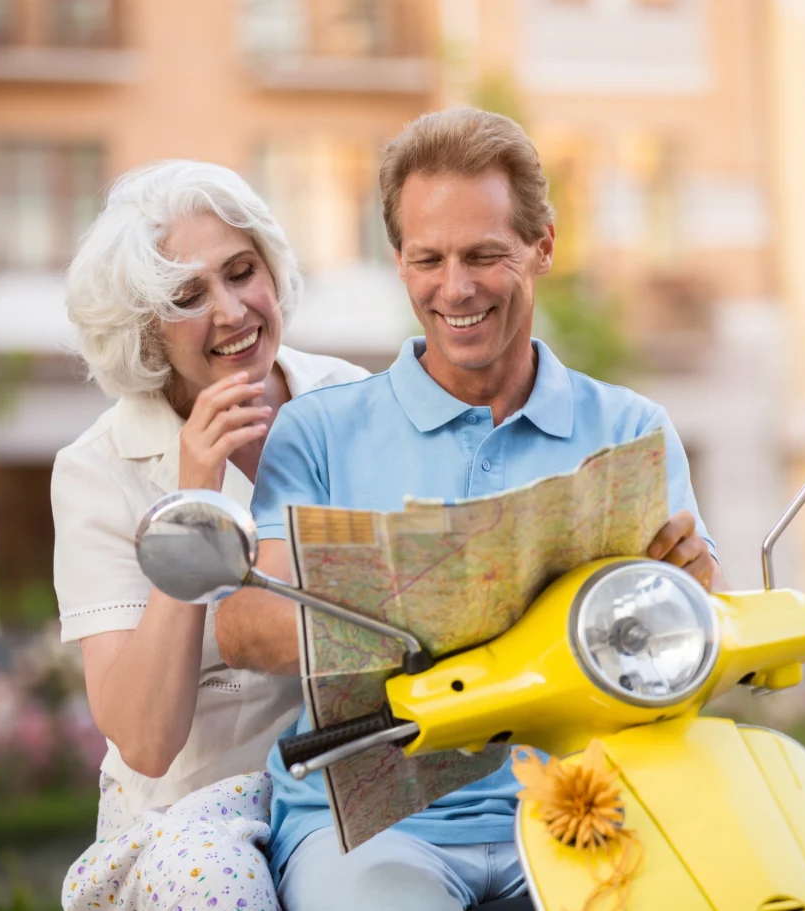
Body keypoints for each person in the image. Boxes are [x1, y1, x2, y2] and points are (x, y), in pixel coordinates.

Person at [218, 108, 722, 911]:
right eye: (429, 258)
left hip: (579, 807)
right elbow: (247, 624)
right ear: (400, 262)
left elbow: (693, 639)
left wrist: (693, 589)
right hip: (371, 830)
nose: (455, 288)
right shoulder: (319, 431)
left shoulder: (631, 429)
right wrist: (439, 607)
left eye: (484, 255)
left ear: (543, 245)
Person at [50, 160, 368, 911]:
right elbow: (145, 740)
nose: (230, 310)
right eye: (188, 297)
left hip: (344, 785)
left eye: (241, 271)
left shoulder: (351, 400)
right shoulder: (96, 470)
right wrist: (191, 503)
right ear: (145, 331)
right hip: (190, 822)